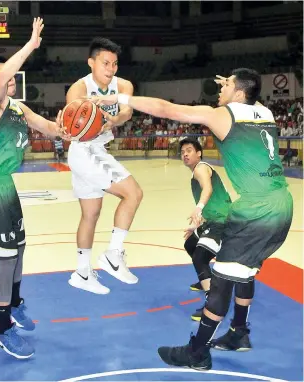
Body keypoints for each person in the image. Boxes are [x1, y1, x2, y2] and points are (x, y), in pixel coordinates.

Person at [89, 68, 293, 370]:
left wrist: (118, 97)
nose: (219, 90)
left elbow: (167, 109)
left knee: (222, 281)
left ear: (238, 93)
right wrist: (235, 84)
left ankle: (197, 352)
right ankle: (239, 333)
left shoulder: (222, 115)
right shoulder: (264, 113)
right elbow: (249, 95)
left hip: (256, 211)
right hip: (282, 205)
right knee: (245, 271)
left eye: (226, 87)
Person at [0, 18, 69, 359]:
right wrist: (30, 45)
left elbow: (51, 129)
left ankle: (16, 303)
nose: (10, 79)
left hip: (6, 188)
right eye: (2, 76)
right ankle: (1, 326)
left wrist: (73, 128)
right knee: (6, 261)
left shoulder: (18, 108)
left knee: (20, 249)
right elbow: (1, 78)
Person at [65, 37, 143, 295]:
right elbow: (69, 120)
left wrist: (113, 119)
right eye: (105, 63)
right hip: (85, 150)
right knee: (133, 193)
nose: (111, 69)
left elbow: (127, 112)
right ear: (91, 63)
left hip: (92, 152)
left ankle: (82, 271)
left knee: (91, 214)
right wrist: (93, 119)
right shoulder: (79, 88)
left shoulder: (124, 85)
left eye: (115, 63)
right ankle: (113, 255)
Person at [180, 138, 231, 321]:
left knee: (200, 257)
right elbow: (212, 199)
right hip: (212, 220)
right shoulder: (197, 172)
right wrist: (197, 224)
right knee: (190, 244)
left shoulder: (201, 168)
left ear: (199, 153)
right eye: (182, 152)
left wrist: (198, 208)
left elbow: (208, 189)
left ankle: (213, 303)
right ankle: (206, 280)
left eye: (189, 150)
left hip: (222, 221)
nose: (185, 154)